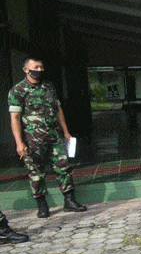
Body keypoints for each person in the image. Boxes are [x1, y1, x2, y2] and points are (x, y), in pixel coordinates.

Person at [8, 57, 88, 218]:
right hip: (32, 140)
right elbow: (15, 118)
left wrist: (65, 132)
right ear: (26, 69)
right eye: (35, 67)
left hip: (54, 135)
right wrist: (19, 142)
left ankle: (69, 201)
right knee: (36, 172)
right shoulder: (17, 90)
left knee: (64, 167)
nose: (39, 69)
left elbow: (58, 110)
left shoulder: (49, 86)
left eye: (41, 67)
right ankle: (42, 205)